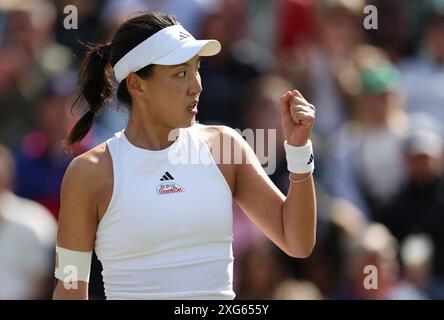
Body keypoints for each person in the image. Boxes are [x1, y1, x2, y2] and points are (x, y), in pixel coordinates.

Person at [52, 11, 317, 300]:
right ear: (137, 84)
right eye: (180, 73)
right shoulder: (89, 172)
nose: (197, 85)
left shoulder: (225, 147)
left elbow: (297, 242)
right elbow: (69, 287)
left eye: (196, 68)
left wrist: (299, 152)